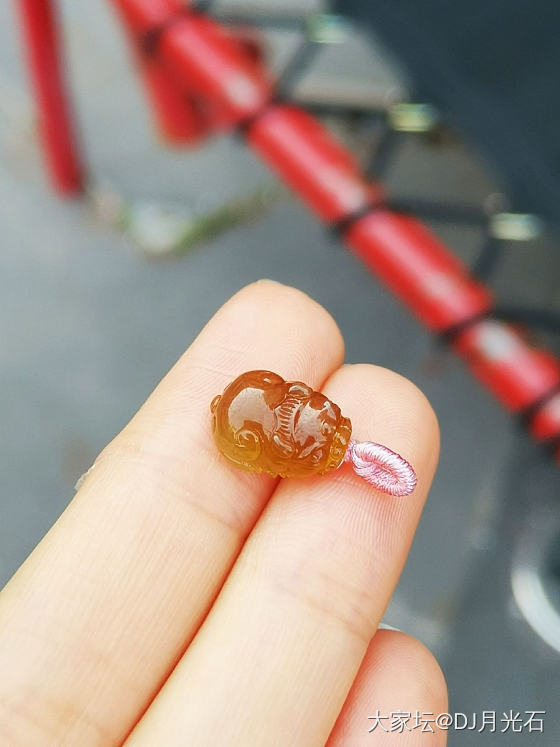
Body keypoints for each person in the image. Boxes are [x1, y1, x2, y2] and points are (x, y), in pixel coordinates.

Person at [0, 281, 447, 745]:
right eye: (301, 439)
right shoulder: (273, 439)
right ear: (266, 453)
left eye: (310, 405)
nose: (324, 421)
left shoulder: (315, 425)